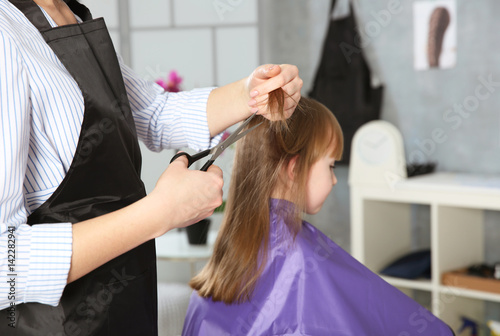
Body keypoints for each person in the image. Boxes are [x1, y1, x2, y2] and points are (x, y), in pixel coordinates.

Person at [0, 0, 302, 334]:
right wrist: (159, 214)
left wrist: (252, 93)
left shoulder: (68, 13)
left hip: (125, 305)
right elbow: (4, 264)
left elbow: (154, 113)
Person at [182, 96, 454, 335]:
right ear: (294, 168)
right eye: (331, 165)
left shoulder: (226, 253)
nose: (334, 180)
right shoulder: (302, 258)